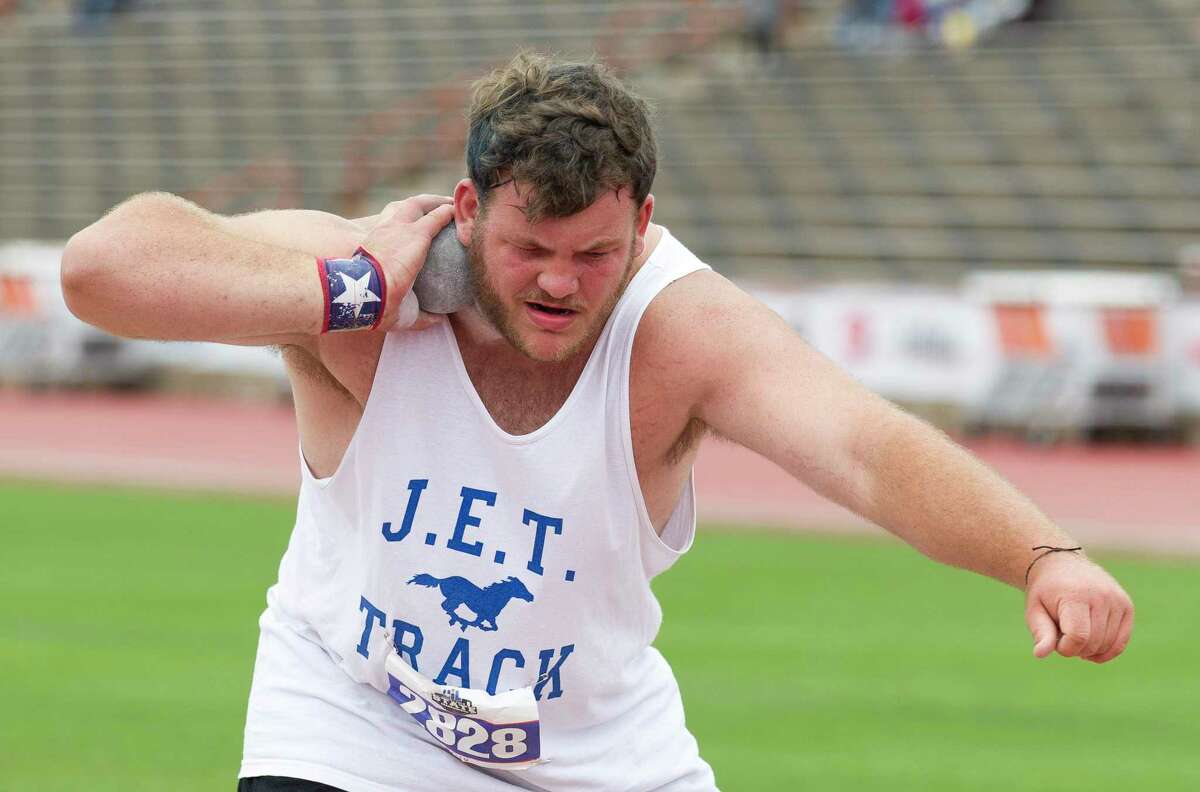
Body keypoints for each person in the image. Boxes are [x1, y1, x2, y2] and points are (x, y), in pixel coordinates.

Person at [60, 51, 1133, 792]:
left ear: (644, 223)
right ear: (469, 208)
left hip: (595, 754)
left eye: (595, 254)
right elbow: (104, 267)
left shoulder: (683, 332)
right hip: (352, 717)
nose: (562, 286)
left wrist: (1041, 556)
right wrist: (341, 292)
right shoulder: (361, 277)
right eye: (530, 248)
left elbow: (862, 445)